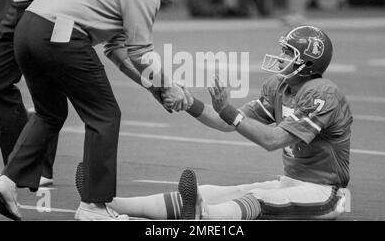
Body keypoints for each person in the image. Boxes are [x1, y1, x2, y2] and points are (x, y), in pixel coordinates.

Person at [0, 0, 201, 221]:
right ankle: (94, 206)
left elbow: (118, 52)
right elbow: (140, 52)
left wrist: (156, 87)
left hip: (28, 28)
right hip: (60, 33)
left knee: (49, 113)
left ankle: (6, 182)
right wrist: (168, 85)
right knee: (105, 115)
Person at [87, 26, 352, 220]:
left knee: (258, 199)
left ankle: (204, 216)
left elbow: (273, 141)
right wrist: (189, 102)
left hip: (324, 193)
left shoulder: (322, 94)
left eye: (288, 52)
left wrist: (229, 111)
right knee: (212, 191)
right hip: (290, 182)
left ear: (307, 62)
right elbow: (226, 122)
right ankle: (107, 204)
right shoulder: (279, 86)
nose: (281, 55)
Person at [0, 0, 116, 187]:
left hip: (47, 7)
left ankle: (36, 170)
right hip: (17, 8)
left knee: (47, 92)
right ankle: (21, 167)